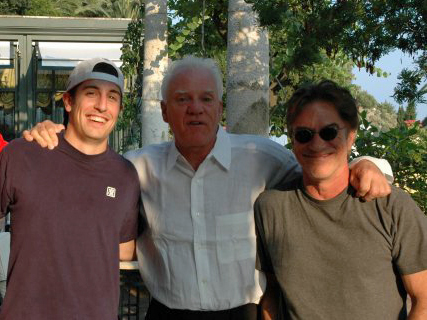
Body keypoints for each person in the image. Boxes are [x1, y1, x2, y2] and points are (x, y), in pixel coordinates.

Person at [24, 56, 392, 320]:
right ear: (166, 111)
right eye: (182, 100)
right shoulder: (136, 167)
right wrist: (54, 135)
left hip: (245, 313)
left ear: (220, 108)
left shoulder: (261, 157)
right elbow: (86, 167)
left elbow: (322, 166)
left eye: (205, 99)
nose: (195, 109)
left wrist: (369, 165)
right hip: (167, 312)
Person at [254, 80, 427, 320]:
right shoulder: (270, 208)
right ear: (292, 140)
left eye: (329, 132)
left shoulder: (390, 206)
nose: (317, 144)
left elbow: (424, 301)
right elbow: (273, 295)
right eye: (303, 134)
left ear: (351, 136)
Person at [0, 58, 140, 319]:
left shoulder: (126, 175)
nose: (101, 105)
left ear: (119, 109)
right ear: (68, 101)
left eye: (112, 97)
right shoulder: (22, 155)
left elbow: (123, 249)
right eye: (91, 93)